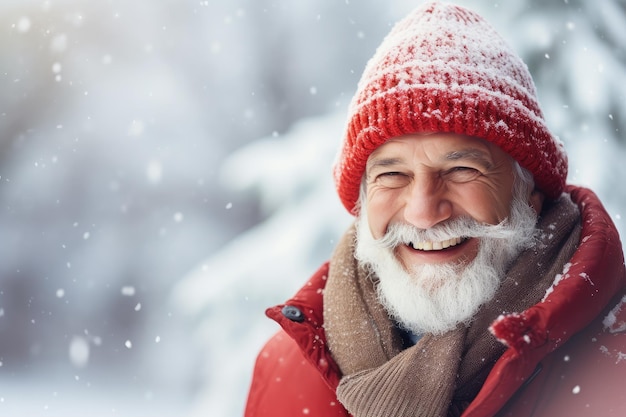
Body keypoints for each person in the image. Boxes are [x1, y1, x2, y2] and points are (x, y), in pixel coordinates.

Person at [244, 2, 626, 416]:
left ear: (529, 195)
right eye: (392, 176)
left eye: (461, 169)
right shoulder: (284, 368)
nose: (424, 213)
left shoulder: (615, 361)